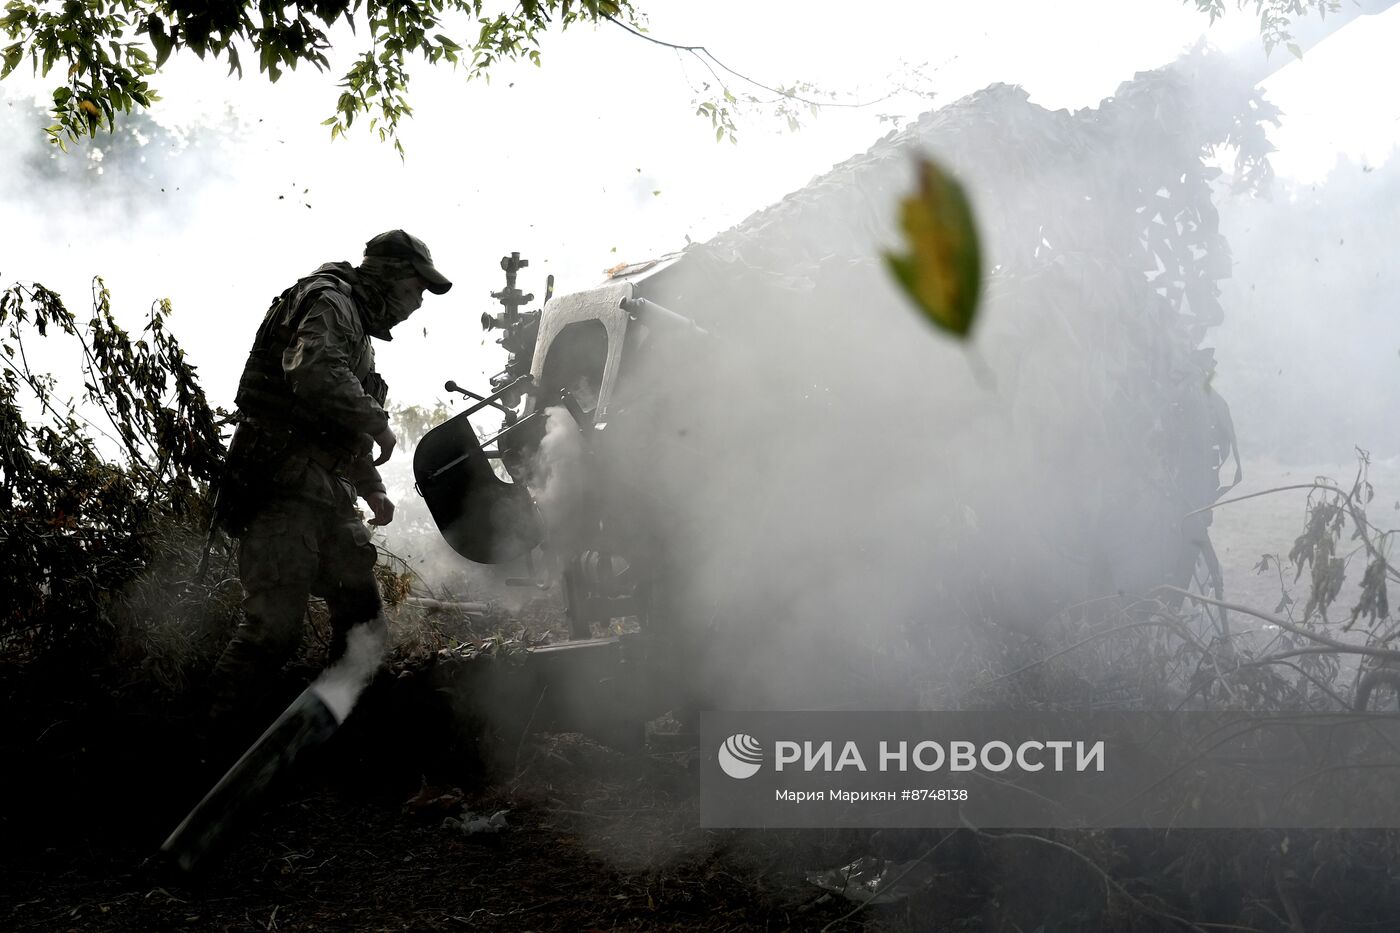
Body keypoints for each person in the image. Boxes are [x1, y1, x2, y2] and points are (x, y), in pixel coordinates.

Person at [208, 230, 452, 726]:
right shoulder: (330, 301)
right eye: (415, 289)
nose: (418, 304)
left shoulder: (353, 322)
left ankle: (334, 733)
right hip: (283, 488)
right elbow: (314, 370)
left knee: (362, 624)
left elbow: (329, 423)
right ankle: (208, 752)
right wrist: (377, 422)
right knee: (271, 631)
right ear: (389, 277)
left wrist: (372, 485)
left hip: (323, 491)